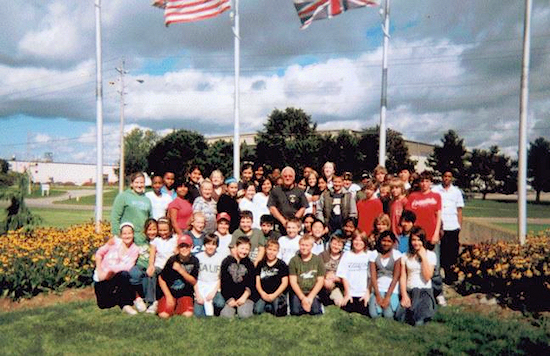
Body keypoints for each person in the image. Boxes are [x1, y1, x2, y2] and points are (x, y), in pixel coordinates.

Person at [404, 171, 444, 304]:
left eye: (427, 181)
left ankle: (438, 293)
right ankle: (416, 291)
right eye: (422, 181)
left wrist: (436, 233)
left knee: (435, 266)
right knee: (416, 263)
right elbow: (409, 217)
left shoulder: (436, 196)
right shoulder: (413, 196)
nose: (424, 184)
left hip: (431, 235)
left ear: (431, 183)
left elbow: (438, 216)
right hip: (417, 236)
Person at [93, 222, 140, 315]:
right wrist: (100, 271)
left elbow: (128, 266)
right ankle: (118, 297)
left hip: (115, 276)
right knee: (104, 304)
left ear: (133, 234)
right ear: (121, 235)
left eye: (129, 233)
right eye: (124, 233)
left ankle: (125, 304)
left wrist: (111, 270)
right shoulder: (114, 242)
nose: (127, 236)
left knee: (124, 274)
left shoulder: (135, 249)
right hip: (102, 276)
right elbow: (99, 254)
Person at [398, 227, 436, 326]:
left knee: (419, 321)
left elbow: (427, 276)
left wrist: (423, 257)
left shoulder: (430, 255)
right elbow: (403, 277)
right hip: (410, 290)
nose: (416, 243)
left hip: (424, 291)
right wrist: (404, 295)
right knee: (400, 317)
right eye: (414, 240)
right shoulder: (405, 256)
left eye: (419, 240)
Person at [433, 171, 464, 285]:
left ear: (452, 178)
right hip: (440, 226)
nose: (447, 178)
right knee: (441, 252)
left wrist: (459, 226)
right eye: (445, 176)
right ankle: (440, 276)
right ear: (442, 177)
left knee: (452, 253)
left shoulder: (456, 192)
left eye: (449, 177)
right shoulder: (435, 190)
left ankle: (451, 276)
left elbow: (459, 210)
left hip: (453, 226)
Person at [157, 234, 199, 319]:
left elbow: (193, 281)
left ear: (191, 247)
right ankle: (167, 305)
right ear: (178, 248)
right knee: (164, 315)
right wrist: (168, 296)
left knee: (188, 314)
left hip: (185, 293)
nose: (184, 249)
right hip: (170, 292)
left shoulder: (194, 261)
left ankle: (177, 307)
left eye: (186, 246)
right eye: (181, 246)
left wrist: (181, 270)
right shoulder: (172, 260)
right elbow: (161, 278)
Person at [143, 217, 177, 314]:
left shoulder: (174, 239)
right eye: (160, 230)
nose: (163, 233)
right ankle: (151, 302)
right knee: (151, 272)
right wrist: (151, 265)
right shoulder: (156, 241)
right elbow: (152, 255)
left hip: (170, 266)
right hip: (159, 265)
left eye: (165, 230)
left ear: (170, 229)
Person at [111, 172, 152, 246]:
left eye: (142, 182)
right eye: (136, 182)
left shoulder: (147, 199)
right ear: (131, 184)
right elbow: (115, 217)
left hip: (142, 239)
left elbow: (150, 219)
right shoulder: (123, 196)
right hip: (127, 238)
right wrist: (118, 235)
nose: (139, 185)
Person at [337, 233, 373, 316]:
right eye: (356, 240)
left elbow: (371, 277)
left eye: (361, 240)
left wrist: (367, 293)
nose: (358, 242)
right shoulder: (347, 255)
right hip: (351, 293)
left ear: (365, 242)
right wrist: (347, 293)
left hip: (364, 293)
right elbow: (343, 275)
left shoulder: (369, 255)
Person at [288, 235, 326, 316]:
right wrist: (303, 298)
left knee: (316, 312)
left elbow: (320, 281)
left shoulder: (318, 260)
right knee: (295, 312)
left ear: (311, 246)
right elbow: (293, 281)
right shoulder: (293, 260)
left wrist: (310, 297)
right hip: (298, 292)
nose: (304, 247)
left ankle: (317, 304)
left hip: (313, 292)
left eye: (307, 245)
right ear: (299, 245)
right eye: (302, 245)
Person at [220, 236, 256, 319]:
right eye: (242, 248)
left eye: (247, 249)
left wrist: (244, 297)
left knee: (244, 315)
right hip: (231, 296)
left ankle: (243, 309)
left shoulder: (249, 264)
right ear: (236, 247)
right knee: (226, 316)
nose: (244, 251)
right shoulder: (226, 262)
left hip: (245, 297)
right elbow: (224, 283)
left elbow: (251, 283)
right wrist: (229, 299)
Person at [369, 231, 402, 319]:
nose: (386, 243)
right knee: (374, 315)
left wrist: (387, 297)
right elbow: (373, 276)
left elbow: (396, 277)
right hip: (378, 289)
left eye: (389, 241)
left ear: (393, 243)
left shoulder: (397, 255)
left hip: (392, 290)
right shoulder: (374, 254)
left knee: (388, 315)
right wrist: (378, 295)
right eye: (384, 240)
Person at [267, 166, 308, 234]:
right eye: (285, 176)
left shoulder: (299, 191)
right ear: (282, 177)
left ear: (294, 177)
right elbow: (272, 207)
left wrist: (293, 221)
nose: (287, 178)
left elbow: (303, 207)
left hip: (294, 227)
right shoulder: (275, 190)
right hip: (279, 226)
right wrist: (283, 221)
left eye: (290, 176)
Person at [254, 239, 289, 317]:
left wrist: (274, 295)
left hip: (277, 294)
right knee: (257, 311)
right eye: (269, 249)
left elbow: (285, 283)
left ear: (277, 251)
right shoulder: (261, 263)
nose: (271, 252)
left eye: (274, 250)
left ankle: (271, 306)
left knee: (279, 312)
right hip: (263, 293)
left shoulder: (282, 264)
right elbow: (257, 281)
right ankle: (268, 306)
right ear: (266, 249)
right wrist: (262, 293)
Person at [194, 234, 226, 317]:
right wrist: (197, 294)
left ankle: (215, 309)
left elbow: (220, 277)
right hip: (201, 285)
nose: (210, 247)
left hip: (214, 285)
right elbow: (194, 278)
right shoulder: (198, 257)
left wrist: (213, 292)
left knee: (220, 303)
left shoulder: (221, 258)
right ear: (204, 245)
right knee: (198, 314)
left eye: (213, 244)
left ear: (217, 246)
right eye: (208, 244)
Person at [319, 233, 345, 306]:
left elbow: (347, 273)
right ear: (330, 243)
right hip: (324, 282)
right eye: (334, 244)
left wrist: (336, 278)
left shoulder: (344, 257)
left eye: (339, 245)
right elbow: (318, 270)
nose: (336, 246)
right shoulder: (322, 255)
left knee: (341, 303)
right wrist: (326, 276)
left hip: (338, 283)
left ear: (342, 246)